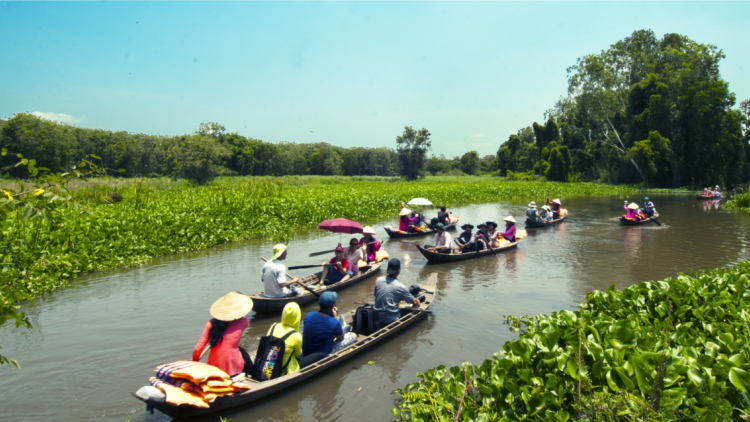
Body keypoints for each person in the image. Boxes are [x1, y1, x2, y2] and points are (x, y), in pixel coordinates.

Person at [192, 292, 254, 377]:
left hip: (214, 369)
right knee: (242, 353)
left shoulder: (211, 324)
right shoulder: (244, 322)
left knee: (240, 350)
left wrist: (194, 361)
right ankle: (252, 374)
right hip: (234, 368)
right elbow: (243, 319)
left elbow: (198, 348)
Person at [302, 291, 357, 357]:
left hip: (307, 353)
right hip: (323, 354)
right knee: (354, 335)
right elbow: (340, 338)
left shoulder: (308, 315)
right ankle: (343, 328)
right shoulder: (334, 322)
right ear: (332, 306)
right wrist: (334, 317)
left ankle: (342, 328)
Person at [373, 258, 420, 326]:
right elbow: (415, 303)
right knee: (410, 308)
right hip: (390, 320)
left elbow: (377, 297)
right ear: (398, 271)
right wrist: (417, 301)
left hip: (376, 317)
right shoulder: (400, 287)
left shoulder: (378, 280)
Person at [266, 302, 302, 376]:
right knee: (319, 355)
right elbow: (297, 354)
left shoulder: (273, 326)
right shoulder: (296, 336)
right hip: (285, 372)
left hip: (269, 368)